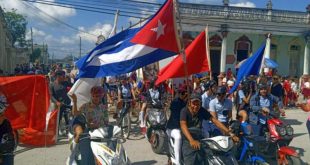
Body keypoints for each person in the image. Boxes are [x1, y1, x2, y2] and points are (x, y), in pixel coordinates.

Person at [180, 93, 239, 165]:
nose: (195, 106)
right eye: (193, 103)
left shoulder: (201, 110)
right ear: (189, 103)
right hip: (187, 140)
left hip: (199, 138)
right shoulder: (184, 111)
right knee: (190, 161)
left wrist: (230, 133)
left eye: (198, 104)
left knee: (209, 157)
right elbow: (183, 125)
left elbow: (215, 121)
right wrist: (191, 140)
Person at [68, 86, 109, 165]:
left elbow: (106, 123)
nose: (95, 98)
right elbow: (75, 113)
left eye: (97, 96)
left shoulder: (103, 108)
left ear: (101, 96)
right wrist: (75, 101)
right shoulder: (86, 106)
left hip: (100, 133)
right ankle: (73, 152)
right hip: (88, 134)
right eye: (93, 96)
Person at [166, 87, 188, 165]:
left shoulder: (187, 103)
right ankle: (178, 161)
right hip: (173, 127)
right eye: (182, 93)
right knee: (179, 137)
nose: (184, 95)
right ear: (178, 94)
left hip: (183, 126)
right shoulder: (175, 102)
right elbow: (176, 118)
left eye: (186, 93)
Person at [50, 70, 71, 135]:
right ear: (58, 76)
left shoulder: (65, 83)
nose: (64, 77)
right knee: (58, 119)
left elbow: (74, 85)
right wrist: (56, 102)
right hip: (59, 105)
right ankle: (56, 133)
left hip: (67, 103)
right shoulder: (52, 85)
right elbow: (51, 96)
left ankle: (69, 132)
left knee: (68, 118)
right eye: (62, 75)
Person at [0, 93, 15, 165]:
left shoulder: (6, 123)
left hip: (6, 151)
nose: (4, 116)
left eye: (4, 113)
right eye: (1, 114)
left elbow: (10, 141)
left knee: (9, 156)